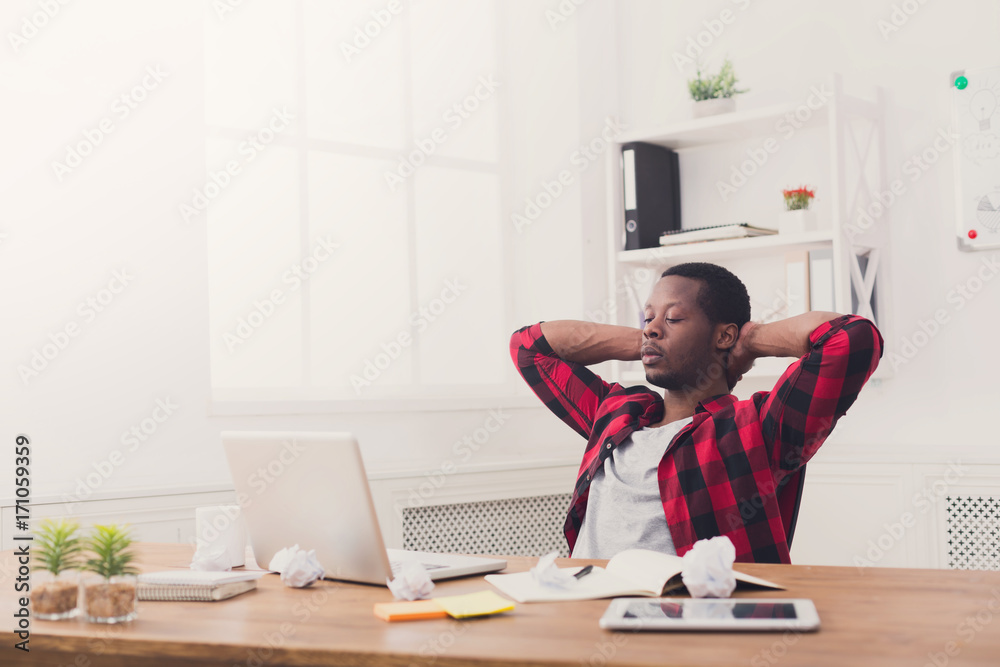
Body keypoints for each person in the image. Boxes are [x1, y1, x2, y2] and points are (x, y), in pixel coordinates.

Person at [510, 262, 883, 563]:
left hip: (682, 621)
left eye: (673, 318)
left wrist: (749, 342)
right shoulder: (616, 413)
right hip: (582, 611)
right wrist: (648, 340)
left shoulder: (756, 429)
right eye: (647, 318)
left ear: (724, 335)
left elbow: (852, 337)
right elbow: (528, 348)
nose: (651, 329)